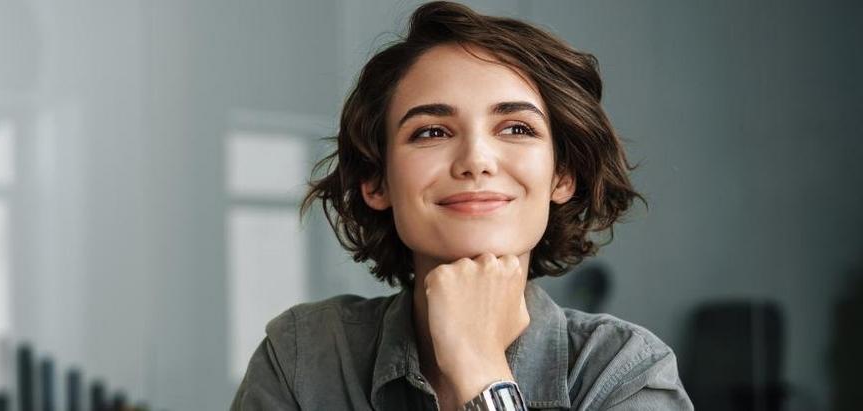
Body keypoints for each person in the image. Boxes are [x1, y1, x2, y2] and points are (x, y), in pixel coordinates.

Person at [231, 2, 694, 410]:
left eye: (516, 128)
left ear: (562, 176)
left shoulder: (625, 373)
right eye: (431, 131)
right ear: (376, 181)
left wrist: (479, 369)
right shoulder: (303, 357)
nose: (476, 160)